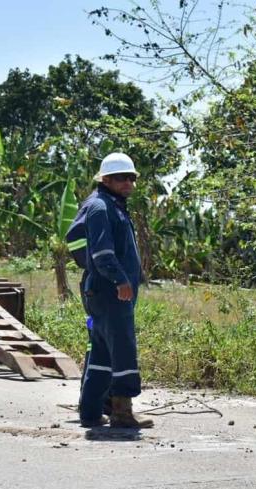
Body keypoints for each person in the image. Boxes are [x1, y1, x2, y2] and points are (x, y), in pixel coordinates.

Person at [78, 152, 153, 429]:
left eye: (131, 178)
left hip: (104, 292)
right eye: (122, 178)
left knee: (101, 355)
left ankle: (90, 413)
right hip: (109, 292)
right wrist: (121, 281)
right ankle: (122, 412)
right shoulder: (101, 208)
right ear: (106, 179)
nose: (128, 183)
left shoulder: (113, 205)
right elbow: (102, 253)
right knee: (122, 351)